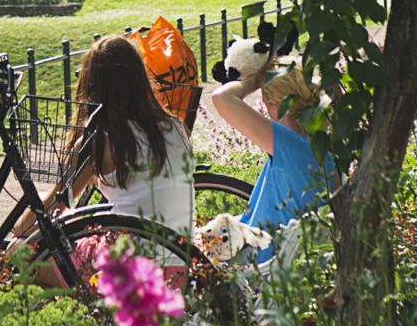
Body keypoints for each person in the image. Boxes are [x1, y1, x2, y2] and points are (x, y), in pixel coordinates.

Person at [208, 44, 331, 263]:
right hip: (285, 264)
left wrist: (254, 79)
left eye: (265, 102)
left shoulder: (289, 146)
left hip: (256, 269)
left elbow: (221, 98)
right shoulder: (322, 151)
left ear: (275, 106)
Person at [61, 35, 195, 234]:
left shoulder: (103, 141)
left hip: (130, 260)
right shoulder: (176, 126)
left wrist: (18, 230)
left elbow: (58, 202)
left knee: (31, 251)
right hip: (181, 255)